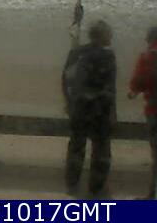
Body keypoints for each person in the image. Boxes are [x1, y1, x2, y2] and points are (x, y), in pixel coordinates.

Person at [62, 20, 117, 197]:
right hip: (100, 110)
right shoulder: (108, 57)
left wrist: (69, 102)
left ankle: (72, 183)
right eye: (109, 33)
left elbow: (66, 80)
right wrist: (112, 113)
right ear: (101, 36)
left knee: (76, 147)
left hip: (79, 108)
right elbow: (110, 88)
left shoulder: (76, 53)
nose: (111, 36)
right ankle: (96, 188)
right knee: (101, 150)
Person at [128, 26, 157, 199]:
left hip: (154, 110)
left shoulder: (147, 57)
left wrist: (133, 92)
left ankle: (155, 193)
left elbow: (136, 84)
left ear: (148, 39)